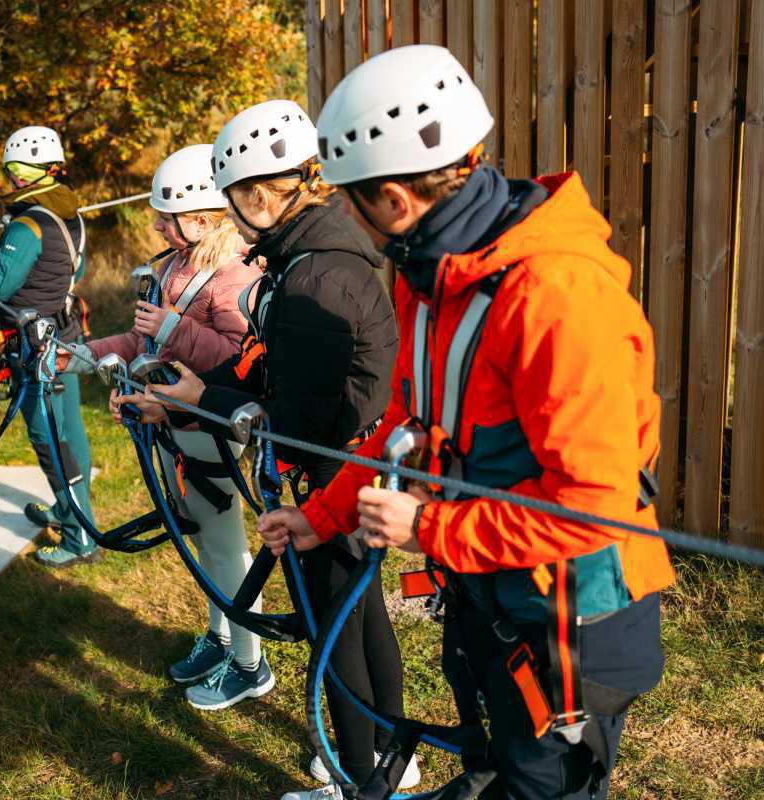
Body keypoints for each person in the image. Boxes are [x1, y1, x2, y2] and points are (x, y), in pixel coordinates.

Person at [259, 45, 675, 799]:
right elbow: (407, 423)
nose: (344, 216)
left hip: (570, 627)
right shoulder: (442, 273)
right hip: (491, 592)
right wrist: (323, 516)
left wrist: (428, 532)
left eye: (346, 199)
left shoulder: (556, 296)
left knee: (539, 783)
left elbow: (593, 509)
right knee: (491, 765)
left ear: (391, 197)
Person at [122, 101, 417, 799]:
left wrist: (198, 400)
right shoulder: (320, 255)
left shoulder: (315, 277)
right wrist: (209, 387)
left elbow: (297, 420)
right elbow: (283, 374)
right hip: (356, 466)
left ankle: (357, 779)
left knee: (337, 634)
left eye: (232, 200)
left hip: (332, 476)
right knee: (362, 617)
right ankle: (389, 758)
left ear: (257, 195)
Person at [61, 144, 272, 709]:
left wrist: (176, 327)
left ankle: (251, 664)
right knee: (206, 541)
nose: (155, 224)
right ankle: (222, 636)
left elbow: (239, 359)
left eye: (166, 216)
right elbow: (142, 342)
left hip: (210, 430)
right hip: (174, 425)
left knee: (226, 549)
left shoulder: (234, 280)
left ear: (203, 217)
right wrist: (84, 355)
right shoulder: (176, 266)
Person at [0, 125, 97, 569]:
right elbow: (74, 267)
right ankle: (72, 511)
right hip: (66, 337)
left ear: (26, 173)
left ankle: (77, 538)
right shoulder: (69, 212)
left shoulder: (29, 223)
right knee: (71, 433)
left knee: (49, 439)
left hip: (39, 351)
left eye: (12, 170)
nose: (8, 178)